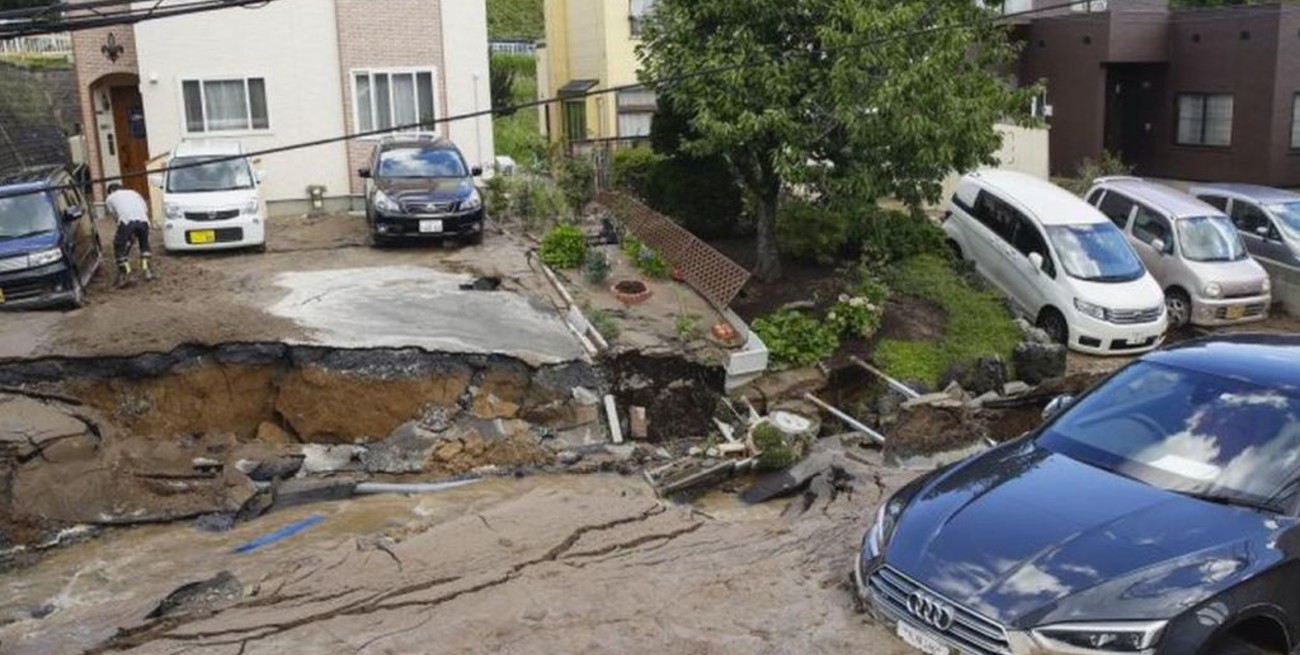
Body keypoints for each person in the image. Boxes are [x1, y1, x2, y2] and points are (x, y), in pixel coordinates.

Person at [104, 183, 154, 287]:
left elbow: (115, 216)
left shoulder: (110, 198)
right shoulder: (134, 193)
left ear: (110, 191)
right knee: (144, 245)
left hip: (126, 221)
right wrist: (133, 233)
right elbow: (145, 209)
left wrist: (126, 234)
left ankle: (126, 272)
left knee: (119, 245)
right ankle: (147, 270)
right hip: (143, 220)